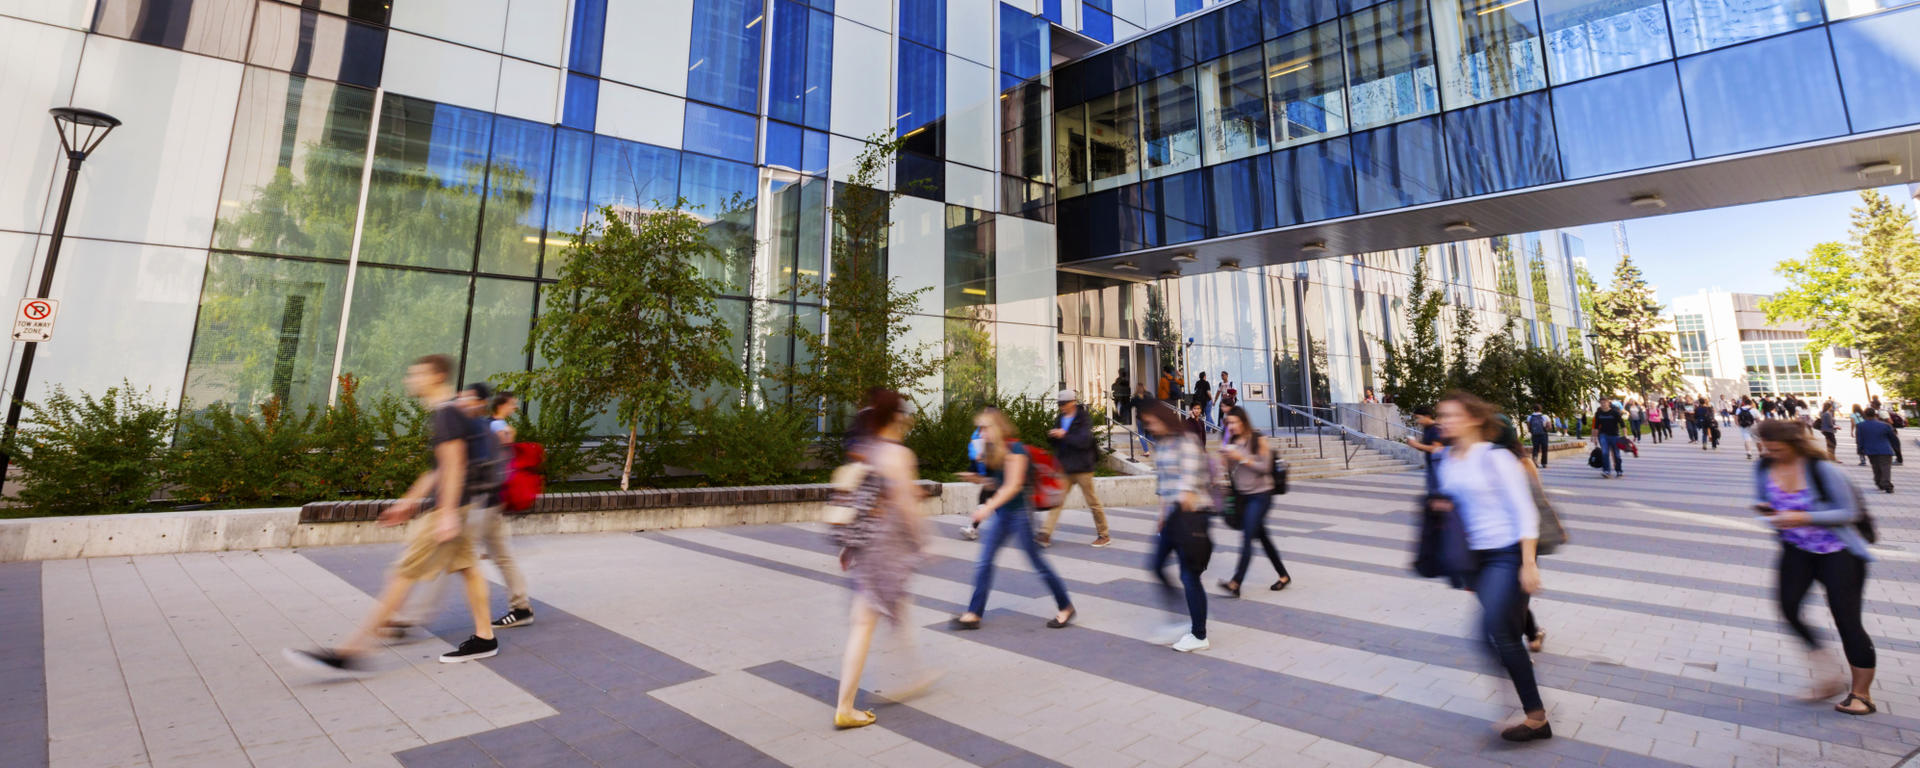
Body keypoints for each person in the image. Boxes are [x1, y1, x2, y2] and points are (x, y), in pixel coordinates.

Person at [285, 355, 499, 672]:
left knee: (402, 574)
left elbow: (454, 466)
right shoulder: (448, 412)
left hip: (449, 508)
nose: (410, 380)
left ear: (437, 377)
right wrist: (407, 503)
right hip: (461, 506)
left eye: (417, 375)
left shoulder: (447, 415)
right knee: (468, 568)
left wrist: (448, 514)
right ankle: (485, 637)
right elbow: (438, 468)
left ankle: (351, 652)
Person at [1431, 392, 1549, 741]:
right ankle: (1527, 702)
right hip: (1474, 560)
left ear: (1473, 419)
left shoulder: (1495, 458)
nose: (1443, 421)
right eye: (1441, 416)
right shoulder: (1448, 460)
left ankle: (1535, 716)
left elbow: (1524, 510)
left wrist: (1529, 563)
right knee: (1495, 638)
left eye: (1451, 415)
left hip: (1507, 553)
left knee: (1494, 631)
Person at [1751, 419, 1878, 715]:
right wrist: (1769, 513)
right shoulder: (1762, 467)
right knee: (1789, 608)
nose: (1770, 453)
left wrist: (1803, 517)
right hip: (1796, 550)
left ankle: (1862, 694)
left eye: (1776, 448)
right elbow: (1762, 502)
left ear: (1794, 445)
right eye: (1765, 448)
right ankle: (1829, 674)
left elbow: (1849, 512)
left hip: (1839, 552)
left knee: (1847, 620)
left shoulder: (1824, 470)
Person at [833, 391, 937, 729]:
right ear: (896, 417)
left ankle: (915, 674)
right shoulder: (897, 454)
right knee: (865, 622)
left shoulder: (866, 451)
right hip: (888, 549)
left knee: (892, 610)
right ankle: (845, 707)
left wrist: (849, 546)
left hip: (867, 546)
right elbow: (906, 506)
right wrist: (924, 541)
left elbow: (858, 501)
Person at [950, 409, 1077, 631]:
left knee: (1037, 563)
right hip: (1003, 515)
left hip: (1020, 514)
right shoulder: (996, 451)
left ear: (996, 428)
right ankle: (973, 614)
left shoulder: (1015, 449)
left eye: (984, 428)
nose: (981, 433)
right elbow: (999, 484)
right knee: (984, 561)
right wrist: (978, 478)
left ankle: (1065, 606)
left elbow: (1013, 485)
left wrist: (987, 507)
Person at [1139, 400, 1213, 652]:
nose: (1150, 427)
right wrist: (1162, 517)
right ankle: (1180, 620)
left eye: (1151, 422)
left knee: (1189, 576)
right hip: (1173, 517)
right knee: (1156, 566)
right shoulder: (1163, 445)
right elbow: (1164, 485)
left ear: (1163, 419)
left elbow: (1189, 484)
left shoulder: (1186, 442)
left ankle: (1199, 634)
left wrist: (1179, 520)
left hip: (1191, 515)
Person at [1217, 406, 1289, 597]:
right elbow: (1231, 471)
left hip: (1261, 495)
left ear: (1243, 421)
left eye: (1233, 422)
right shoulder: (1231, 441)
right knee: (1263, 538)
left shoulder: (1258, 439)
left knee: (1248, 536)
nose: (1230, 426)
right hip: (1242, 497)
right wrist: (1225, 460)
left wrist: (1241, 457)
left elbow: (1264, 467)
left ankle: (1236, 582)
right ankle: (1283, 575)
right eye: (1227, 423)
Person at [1041, 390, 1112, 548]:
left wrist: (1063, 435)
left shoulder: (1083, 418)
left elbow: (1083, 441)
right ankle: (1045, 533)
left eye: (1064, 404)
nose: (1061, 407)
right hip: (1065, 467)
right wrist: (1052, 435)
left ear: (1072, 402)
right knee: (1057, 501)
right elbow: (1056, 441)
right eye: (1059, 404)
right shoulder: (1060, 418)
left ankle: (1104, 534)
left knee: (1092, 502)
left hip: (1083, 467)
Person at [1405, 405, 1445, 493]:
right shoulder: (1427, 429)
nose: (1417, 421)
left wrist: (1416, 444)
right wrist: (1414, 444)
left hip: (1438, 467)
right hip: (1431, 466)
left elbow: (1436, 448)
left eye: (1418, 418)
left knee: (1438, 493)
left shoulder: (1435, 429)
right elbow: (1426, 447)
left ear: (1427, 416)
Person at [1856, 410, 1896, 493]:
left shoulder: (1860, 426)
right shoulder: (1885, 425)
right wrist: (1895, 448)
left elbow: (1859, 439)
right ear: (1875, 415)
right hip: (1885, 450)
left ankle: (1879, 482)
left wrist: (1860, 450)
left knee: (1876, 467)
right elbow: (1893, 438)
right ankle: (1886, 485)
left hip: (1871, 450)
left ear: (1865, 415)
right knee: (1885, 468)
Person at [1592, 399, 1624, 479]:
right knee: (1605, 453)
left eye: (1605, 402)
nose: (1603, 404)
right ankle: (1606, 471)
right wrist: (1595, 437)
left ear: (1608, 403)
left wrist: (1625, 435)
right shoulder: (1598, 413)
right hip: (1603, 435)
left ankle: (1619, 470)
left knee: (1616, 454)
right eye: (1601, 403)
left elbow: (1622, 424)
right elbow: (1596, 426)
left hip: (1614, 435)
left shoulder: (1615, 412)